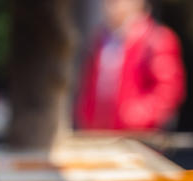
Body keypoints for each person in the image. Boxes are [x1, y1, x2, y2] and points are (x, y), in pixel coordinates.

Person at [75, 0, 185, 131]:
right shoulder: (101, 39)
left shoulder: (157, 39)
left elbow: (168, 93)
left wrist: (134, 118)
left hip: (138, 137)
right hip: (99, 134)